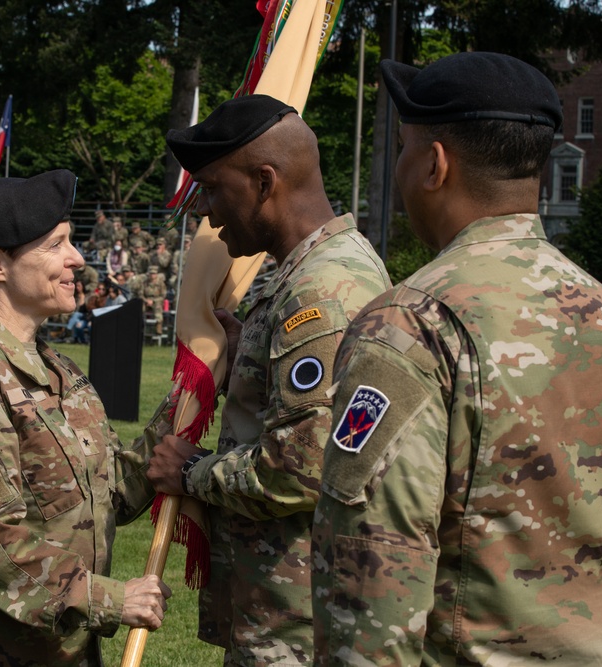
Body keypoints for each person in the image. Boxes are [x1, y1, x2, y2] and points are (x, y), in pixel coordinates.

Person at [311, 52, 602, 666]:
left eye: (405, 149)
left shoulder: (411, 324)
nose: (400, 168)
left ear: (434, 164)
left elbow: (372, 577)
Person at [146, 94, 392, 665]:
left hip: (298, 617)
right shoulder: (308, 272)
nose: (205, 212)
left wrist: (190, 472)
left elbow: (301, 468)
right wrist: (246, 354)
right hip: (288, 605)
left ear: (263, 181)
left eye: (211, 188)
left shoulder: (321, 291)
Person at [0, 171, 173, 665]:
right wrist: (110, 599)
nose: (77, 259)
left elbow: (109, 494)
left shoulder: (58, 371)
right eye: (56, 245)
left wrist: (184, 403)